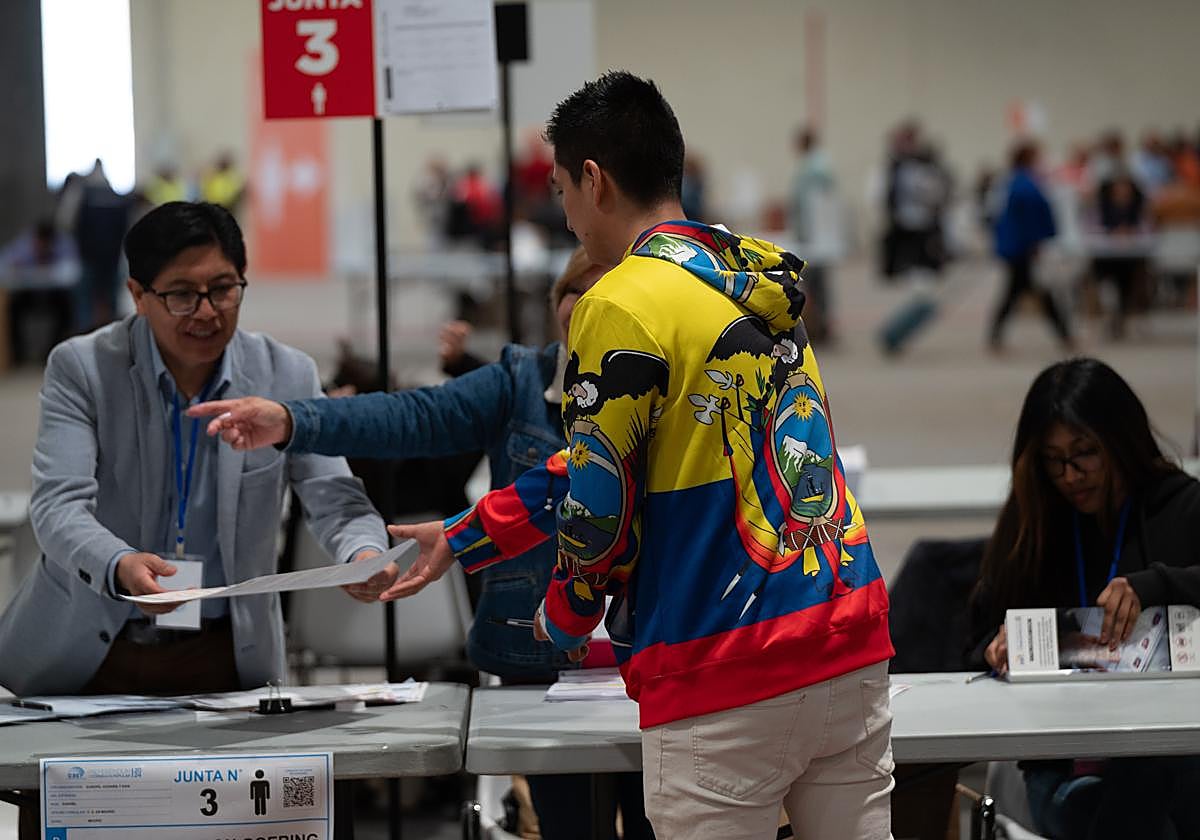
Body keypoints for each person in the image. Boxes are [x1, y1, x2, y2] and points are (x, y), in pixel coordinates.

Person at [337, 71, 891, 839]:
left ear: (593, 181)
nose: (565, 218)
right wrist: (469, 533)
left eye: (562, 190)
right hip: (846, 634)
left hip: (724, 662)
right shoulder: (752, 279)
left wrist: (566, 614)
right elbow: (633, 456)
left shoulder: (621, 300)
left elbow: (602, 496)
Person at [192, 248, 655, 839]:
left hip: (653, 657)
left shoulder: (668, 388)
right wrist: (293, 420)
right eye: (576, 290)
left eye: (607, 290)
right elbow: (412, 415)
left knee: (656, 825)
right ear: (556, 307)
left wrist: (465, 532)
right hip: (537, 663)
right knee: (566, 830)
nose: (590, 303)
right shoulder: (519, 380)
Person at [0, 201, 390, 700]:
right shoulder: (84, 369)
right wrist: (119, 563)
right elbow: (57, 506)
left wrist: (363, 551)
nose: (206, 312)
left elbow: (332, 492)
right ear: (138, 295)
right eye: (182, 295)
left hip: (224, 654)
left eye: (223, 289)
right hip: (91, 648)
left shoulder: (286, 374)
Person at [968, 357, 1200, 840]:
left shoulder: (1177, 507)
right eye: (1054, 460)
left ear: (1120, 441)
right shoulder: (1037, 522)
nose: (1070, 475)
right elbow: (976, 636)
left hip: (1168, 753)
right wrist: (999, 645)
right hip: (1065, 769)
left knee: (1151, 780)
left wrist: (1156, 584)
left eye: (1084, 453)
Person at [988, 141, 1073, 353]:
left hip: (1017, 246)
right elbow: (1031, 217)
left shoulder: (1012, 181)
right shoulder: (1024, 184)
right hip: (1022, 248)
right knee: (1034, 293)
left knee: (1021, 292)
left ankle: (1063, 334)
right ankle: (1064, 335)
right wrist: (1037, 240)